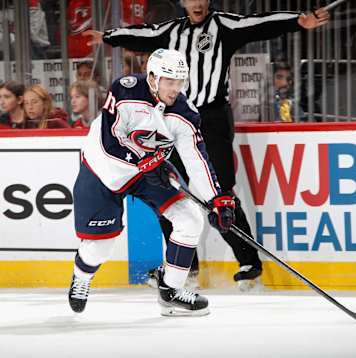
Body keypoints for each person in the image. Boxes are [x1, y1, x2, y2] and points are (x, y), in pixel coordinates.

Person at [84, 0, 330, 290]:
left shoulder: (224, 25)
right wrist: (109, 36)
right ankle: (185, 269)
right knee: (167, 191)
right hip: (171, 120)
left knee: (220, 190)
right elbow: (144, 34)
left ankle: (249, 263)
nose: (197, 2)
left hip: (211, 119)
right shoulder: (172, 30)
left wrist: (298, 21)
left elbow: (259, 23)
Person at [68, 48, 235, 316]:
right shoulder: (125, 91)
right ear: (154, 78)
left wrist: (216, 199)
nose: (175, 89)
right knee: (99, 247)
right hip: (105, 169)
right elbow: (110, 141)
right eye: (170, 81)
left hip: (149, 170)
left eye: (180, 82)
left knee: (190, 219)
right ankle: (81, 278)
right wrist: (143, 163)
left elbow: (196, 159)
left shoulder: (185, 113)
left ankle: (170, 291)